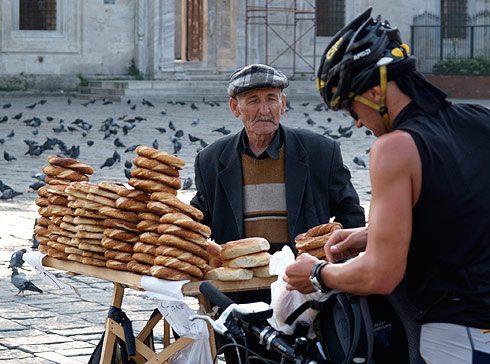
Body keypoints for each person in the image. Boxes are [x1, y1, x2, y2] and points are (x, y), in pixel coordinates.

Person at [284, 8, 490, 364]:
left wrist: (316, 274)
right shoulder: (479, 120)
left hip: (457, 336)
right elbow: (463, 208)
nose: (358, 124)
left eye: (352, 109)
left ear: (376, 92)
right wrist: (371, 233)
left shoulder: (394, 148)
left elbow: (380, 274)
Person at [191, 63, 365, 362]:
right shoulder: (211, 160)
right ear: (235, 107)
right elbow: (198, 223)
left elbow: (350, 213)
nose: (263, 109)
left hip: (303, 285)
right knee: (245, 356)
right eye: (253, 101)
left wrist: (340, 270)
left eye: (271, 98)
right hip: (241, 287)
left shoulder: (321, 152)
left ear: (283, 104)